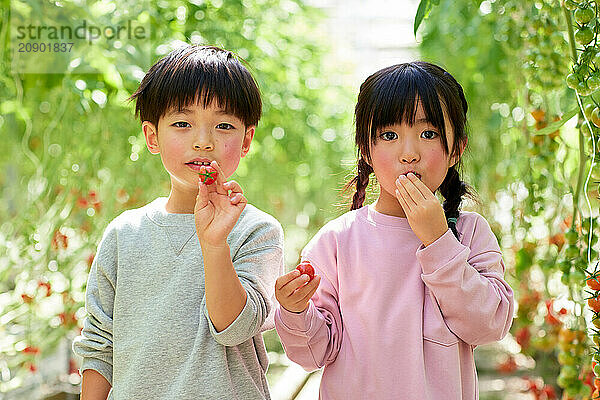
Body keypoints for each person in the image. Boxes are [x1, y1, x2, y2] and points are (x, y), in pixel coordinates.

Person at [273, 62, 514, 399]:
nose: (409, 153)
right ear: (366, 151)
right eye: (389, 135)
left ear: (456, 148)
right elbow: (312, 354)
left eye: (428, 133)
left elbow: (489, 325)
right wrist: (295, 310)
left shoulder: (469, 232)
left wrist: (439, 242)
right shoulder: (337, 242)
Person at [72, 45, 284, 400]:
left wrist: (215, 243)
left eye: (224, 125)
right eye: (182, 124)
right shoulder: (124, 234)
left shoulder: (257, 230)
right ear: (152, 136)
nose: (203, 141)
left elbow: (235, 328)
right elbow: (99, 345)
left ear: (246, 140)